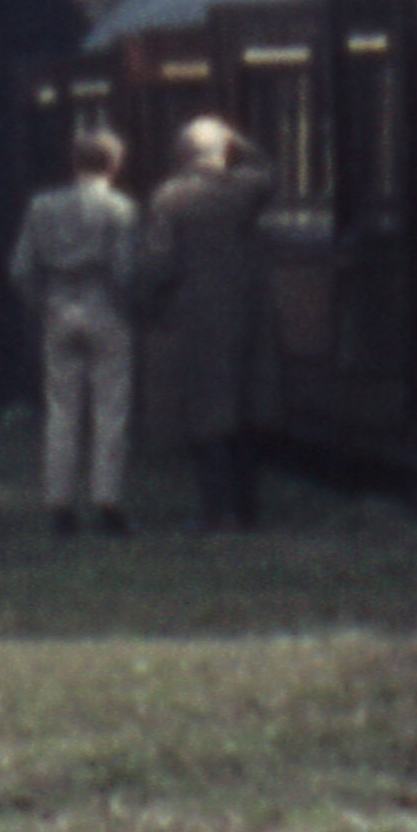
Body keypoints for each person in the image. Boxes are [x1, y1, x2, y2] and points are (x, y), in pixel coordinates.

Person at [143, 115, 279, 532]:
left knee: (207, 414)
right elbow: (267, 169)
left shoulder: (171, 197)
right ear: (224, 151)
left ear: (183, 154)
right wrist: (238, 140)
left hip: (199, 315)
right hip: (251, 312)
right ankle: (248, 508)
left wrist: (149, 301)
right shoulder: (246, 189)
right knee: (246, 410)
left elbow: (159, 263)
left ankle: (217, 512)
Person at [12, 121, 144, 538]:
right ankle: (107, 501)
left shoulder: (42, 206)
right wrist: (131, 305)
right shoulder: (121, 209)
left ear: (73, 161)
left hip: (58, 305)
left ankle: (60, 505)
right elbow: (124, 271)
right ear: (116, 164)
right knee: (110, 408)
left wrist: (40, 301)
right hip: (105, 306)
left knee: (61, 409)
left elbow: (20, 267)